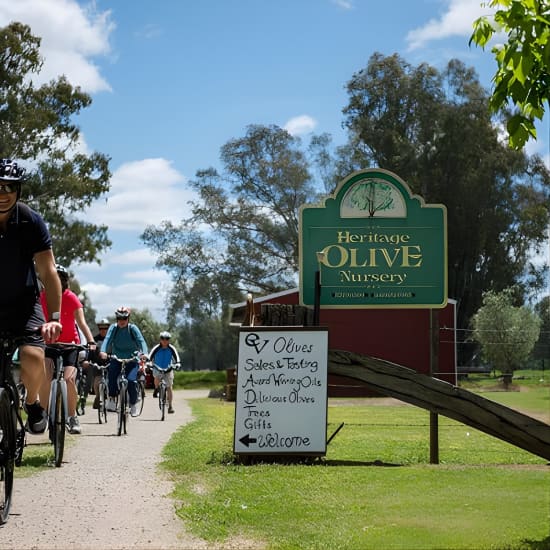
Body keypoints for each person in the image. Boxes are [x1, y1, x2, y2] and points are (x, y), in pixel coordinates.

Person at [0, 158, 62, 434]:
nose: (3, 195)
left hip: (25, 304)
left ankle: (33, 402)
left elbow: (48, 273)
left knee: (33, 356)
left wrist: (55, 318)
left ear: (18, 191)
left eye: (9, 188)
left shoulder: (29, 220)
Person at [40, 265, 96, 434]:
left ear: (65, 281)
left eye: (61, 278)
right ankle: (42, 415)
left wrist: (91, 341)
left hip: (70, 345)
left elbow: (81, 322)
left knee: (70, 379)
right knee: (46, 377)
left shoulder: (71, 298)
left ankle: (72, 417)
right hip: (48, 344)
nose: (57, 282)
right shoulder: (41, 297)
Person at [99, 306, 148, 417]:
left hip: (132, 359)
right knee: (111, 375)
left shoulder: (133, 328)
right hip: (117, 358)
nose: (121, 321)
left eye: (124, 319)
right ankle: (111, 398)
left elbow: (141, 341)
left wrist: (144, 353)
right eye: (119, 319)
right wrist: (103, 351)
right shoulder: (113, 328)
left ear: (128, 319)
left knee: (131, 381)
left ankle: (133, 403)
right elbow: (107, 340)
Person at [148, 331, 180, 414]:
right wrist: (149, 363)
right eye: (162, 338)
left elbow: (177, 358)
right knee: (156, 378)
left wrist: (177, 364)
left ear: (169, 340)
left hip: (168, 368)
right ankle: (156, 389)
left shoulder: (172, 348)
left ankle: (170, 406)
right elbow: (150, 356)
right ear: (160, 339)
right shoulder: (156, 348)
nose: (164, 340)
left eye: (167, 339)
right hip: (157, 367)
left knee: (169, 387)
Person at [87, 318, 110, 409]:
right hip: (98, 365)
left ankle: (113, 399)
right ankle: (98, 397)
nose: (103, 330)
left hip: (110, 363)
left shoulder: (112, 340)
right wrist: (87, 360)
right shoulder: (94, 340)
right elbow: (90, 353)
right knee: (96, 382)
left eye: (105, 328)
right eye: (101, 328)